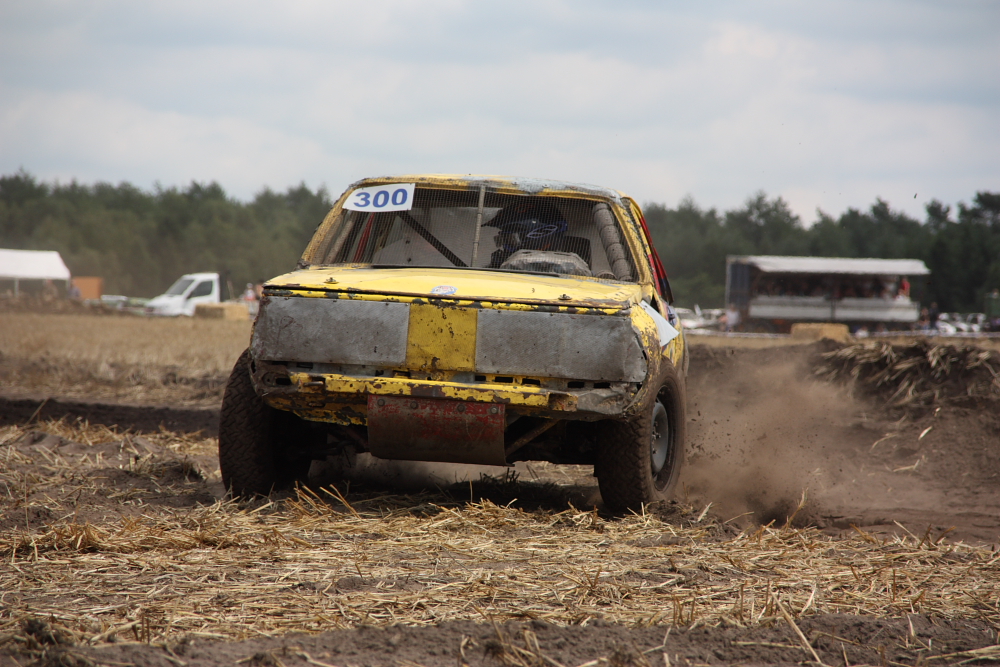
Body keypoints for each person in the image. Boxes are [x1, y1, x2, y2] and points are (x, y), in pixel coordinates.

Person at [484, 199, 590, 269]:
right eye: (502, 240)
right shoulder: (495, 272)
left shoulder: (575, 272)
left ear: (543, 234)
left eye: (511, 240)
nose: (504, 248)